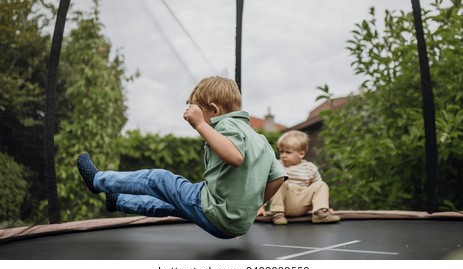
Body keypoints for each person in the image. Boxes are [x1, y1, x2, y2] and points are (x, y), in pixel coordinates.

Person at [77, 76, 287, 239]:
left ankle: (98, 181)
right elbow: (277, 178)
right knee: (171, 203)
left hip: (216, 211)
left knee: (158, 179)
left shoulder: (226, 124)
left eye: (198, 110)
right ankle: (118, 201)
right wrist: (248, 207)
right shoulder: (260, 139)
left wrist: (200, 124)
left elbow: (235, 156)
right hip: (235, 221)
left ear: (214, 109)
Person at [261, 130, 340, 225]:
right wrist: (260, 206)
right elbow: (266, 187)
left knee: (321, 184)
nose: (283, 155)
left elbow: (319, 191)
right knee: (279, 180)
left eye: (288, 152)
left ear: (301, 154)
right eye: (281, 152)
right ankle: (277, 214)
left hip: (303, 203)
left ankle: (320, 214)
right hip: (284, 204)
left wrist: (325, 207)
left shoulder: (310, 168)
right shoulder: (277, 166)